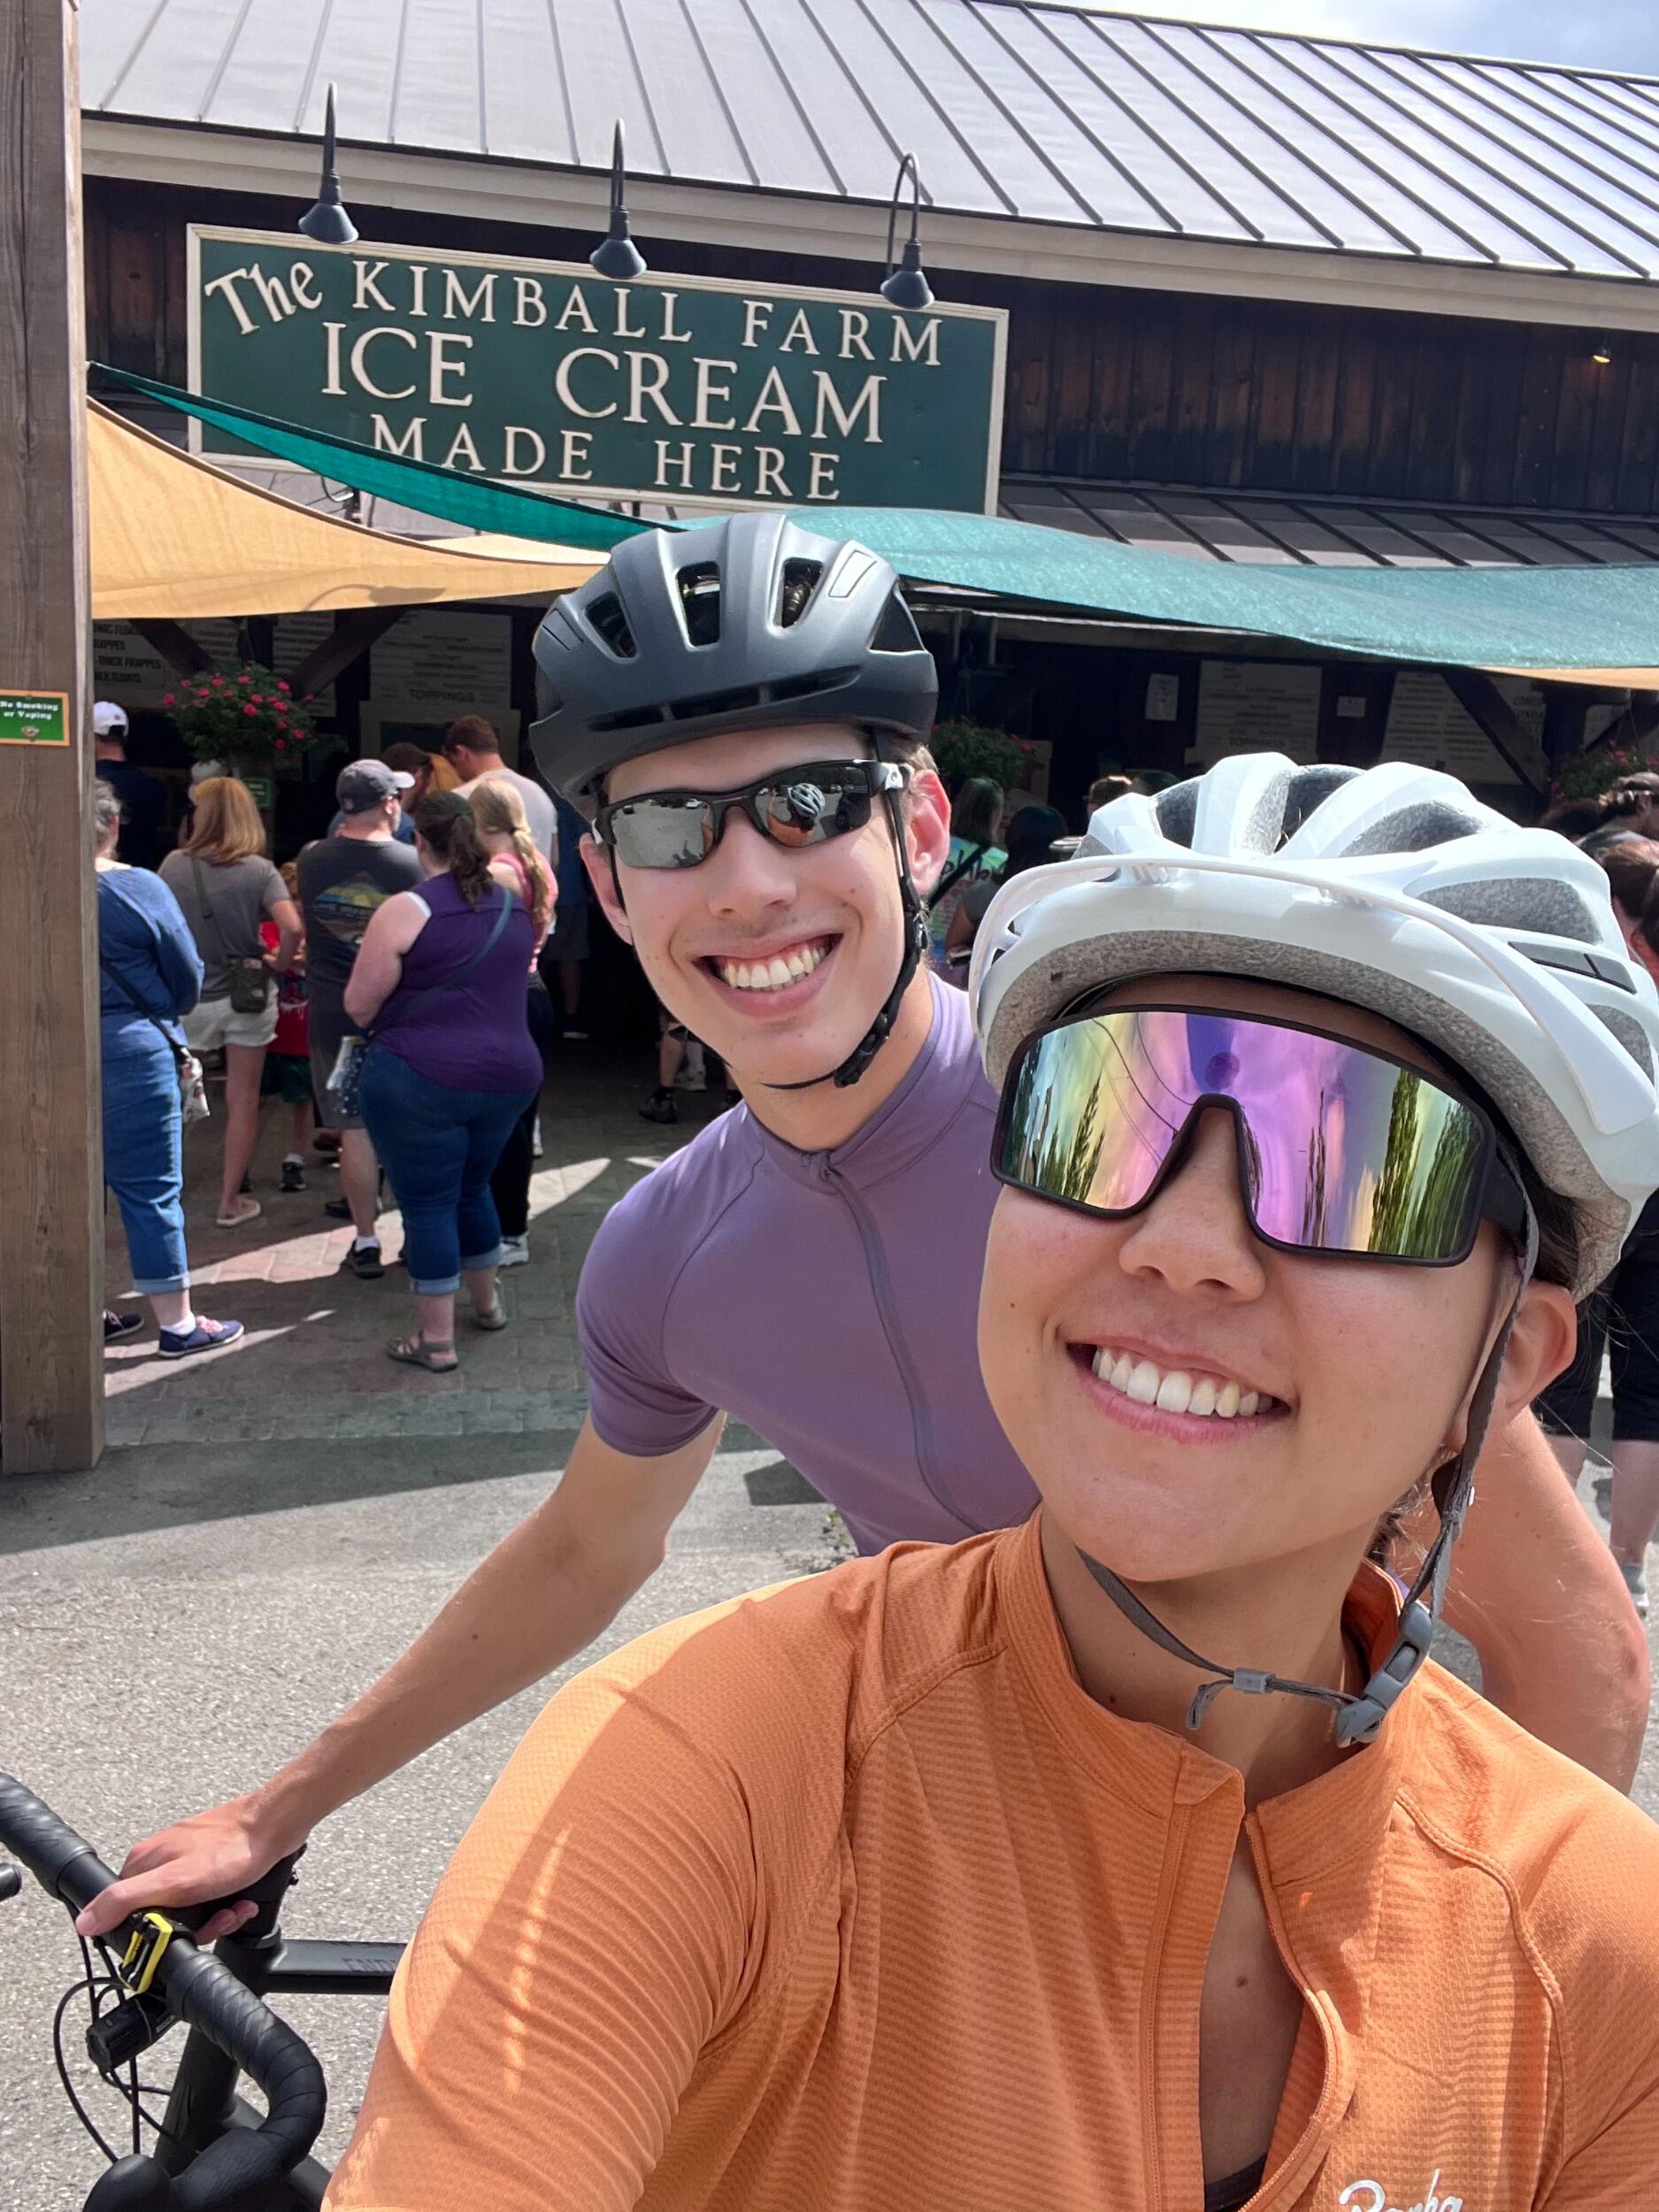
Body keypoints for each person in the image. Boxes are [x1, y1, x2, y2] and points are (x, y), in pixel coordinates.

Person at [81, 521, 1648, 1950]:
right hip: (1013, 1897)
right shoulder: (664, 1251)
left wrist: (1481, 2029)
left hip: (1348, 1895)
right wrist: (278, 1807)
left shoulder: (1162, 1148)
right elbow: (582, 1550)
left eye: (809, 803)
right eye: (675, 828)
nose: (751, 883)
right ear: (607, 891)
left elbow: (1573, 1647)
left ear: (922, 829)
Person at [326, 757, 1659, 2210]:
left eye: (1359, 1163)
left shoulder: (1595, 1934)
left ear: (1509, 1362)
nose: (1181, 1243)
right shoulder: (707, 1768)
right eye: (1098, 1115)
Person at [344, 792, 541, 1371]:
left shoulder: (406, 910)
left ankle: (435, 1342)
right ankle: (488, 1307)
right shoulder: (511, 905)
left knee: (427, 1203)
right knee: (472, 1187)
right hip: (510, 1075)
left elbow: (359, 1005)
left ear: (418, 840)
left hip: (420, 1078)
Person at [1540, 833, 1659, 1613]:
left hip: (1598, 1185)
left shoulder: (1605, 989)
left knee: (1561, 1380)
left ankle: (1548, 1568)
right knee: (1649, 1396)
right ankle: (1626, 1571)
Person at [95, 781, 243, 1358]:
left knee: (52, 1187)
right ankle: (177, 1324)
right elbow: (186, 971)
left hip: (45, 1048)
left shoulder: (27, 880)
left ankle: (77, 1305)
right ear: (112, 826)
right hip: (133, 1048)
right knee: (150, 1188)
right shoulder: (137, 888)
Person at [296, 760, 423, 1279]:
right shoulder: (411, 866)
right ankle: (418, 1235)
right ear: (390, 803)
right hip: (399, 1012)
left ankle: (366, 1241)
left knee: (354, 1127)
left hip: (332, 1011)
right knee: (410, 1126)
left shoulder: (310, 861)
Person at [159, 775, 300, 1228]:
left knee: (177, 1093)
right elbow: (293, 926)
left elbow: (158, 928)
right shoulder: (260, 871)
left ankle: (169, 1195)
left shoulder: (174, 866)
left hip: (191, 996)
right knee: (243, 1098)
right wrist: (278, 963)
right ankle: (228, 1202)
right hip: (247, 994)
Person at [471, 776, 557, 1270]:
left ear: (480, 823)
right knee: (520, 1121)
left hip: (505, 1000)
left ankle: (505, 1231)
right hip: (533, 994)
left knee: (500, 1125)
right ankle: (511, 1228)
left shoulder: (498, 873)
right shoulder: (536, 863)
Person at [942, 800, 1070, 972]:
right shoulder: (1071, 897)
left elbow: (953, 949)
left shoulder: (982, 896)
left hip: (987, 993)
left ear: (1011, 839)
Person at [261, 863, 314, 1193]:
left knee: (302, 1101)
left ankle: (296, 1158)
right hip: (269, 1034)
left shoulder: (319, 936)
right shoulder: (268, 929)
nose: (297, 905)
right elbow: (270, 953)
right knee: (256, 1099)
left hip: (303, 1035)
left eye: (302, 897)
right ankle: (243, 1165)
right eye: (291, 897)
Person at [444, 711, 557, 868]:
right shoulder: (540, 795)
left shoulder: (458, 799)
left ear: (462, 753)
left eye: (453, 762)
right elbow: (554, 857)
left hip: (481, 891)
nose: (456, 773)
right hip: (538, 890)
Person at [927, 774, 1004, 972]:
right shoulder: (1000, 863)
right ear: (994, 815)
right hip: (962, 960)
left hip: (923, 949)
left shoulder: (935, 849)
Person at [93, 700, 166, 871]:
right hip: (139, 880)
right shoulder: (150, 787)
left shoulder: (89, 784)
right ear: (124, 736)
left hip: (98, 880)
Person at [546, 790, 592, 1038]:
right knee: (570, 957)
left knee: (534, 959)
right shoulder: (571, 803)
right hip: (570, 890)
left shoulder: (527, 797)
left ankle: (532, 1015)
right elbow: (587, 847)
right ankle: (571, 1019)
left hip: (537, 892)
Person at [327, 741, 432, 844]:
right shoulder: (406, 830)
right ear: (418, 779)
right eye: (427, 783)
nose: (427, 791)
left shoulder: (341, 817)